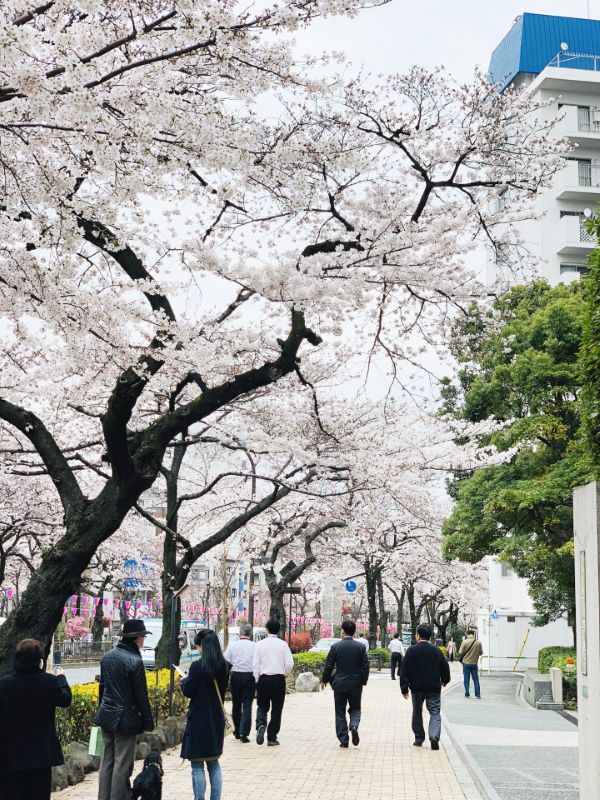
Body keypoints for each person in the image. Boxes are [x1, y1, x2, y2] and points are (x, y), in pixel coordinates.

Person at [0, 638, 71, 800]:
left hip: (10, 754)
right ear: (39, 659)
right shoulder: (49, 682)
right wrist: (61, 678)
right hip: (40, 753)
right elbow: (65, 699)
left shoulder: (4, 684)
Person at [95, 619, 154, 800]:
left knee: (107, 762)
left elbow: (102, 688)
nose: (144, 640)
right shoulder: (135, 661)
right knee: (122, 764)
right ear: (136, 638)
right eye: (143, 636)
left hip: (107, 715)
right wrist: (148, 721)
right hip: (126, 719)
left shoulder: (107, 657)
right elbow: (141, 695)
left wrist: (101, 710)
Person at [180, 630, 229, 800]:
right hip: (216, 719)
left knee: (197, 766)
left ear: (202, 646)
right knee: (214, 763)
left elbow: (188, 691)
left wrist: (184, 681)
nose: (197, 648)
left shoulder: (197, 667)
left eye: (197, 645)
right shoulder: (224, 666)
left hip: (199, 720)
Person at [400, 624, 450, 750]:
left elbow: (404, 671)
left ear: (418, 635)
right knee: (434, 712)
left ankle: (419, 738)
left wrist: (404, 688)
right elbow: (445, 668)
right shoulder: (436, 651)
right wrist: (445, 680)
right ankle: (434, 736)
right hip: (433, 686)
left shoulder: (411, 651)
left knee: (417, 712)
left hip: (417, 688)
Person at [320, 620, 369, 748]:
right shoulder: (360, 647)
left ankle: (343, 739)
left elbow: (329, 665)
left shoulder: (336, 647)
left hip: (340, 683)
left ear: (342, 631)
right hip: (356, 683)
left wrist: (324, 680)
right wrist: (363, 681)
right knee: (356, 708)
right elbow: (365, 666)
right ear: (354, 632)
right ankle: (353, 726)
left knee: (340, 710)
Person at [252, 618, 293, 746]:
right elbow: (290, 663)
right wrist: (284, 674)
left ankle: (261, 724)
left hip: (264, 679)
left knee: (262, 706)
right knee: (276, 708)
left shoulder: (260, 645)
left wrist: (257, 678)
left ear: (267, 629)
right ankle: (272, 737)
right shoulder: (283, 645)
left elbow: (255, 664)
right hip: (278, 679)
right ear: (278, 630)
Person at [223, 622, 255, 743]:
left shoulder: (232, 646)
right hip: (249, 676)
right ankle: (244, 733)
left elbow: (225, 661)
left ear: (240, 632)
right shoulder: (254, 646)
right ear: (250, 634)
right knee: (247, 705)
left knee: (236, 704)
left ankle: (236, 731)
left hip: (236, 676)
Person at [459, 630, 483, 698]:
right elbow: (481, 653)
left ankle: (467, 693)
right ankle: (477, 695)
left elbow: (460, 652)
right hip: (474, 663)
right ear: (473, 634)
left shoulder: (465, 642)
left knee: (466, 678)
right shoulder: (478, 642)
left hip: (466, 663)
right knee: (476, 679)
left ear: (468, 634)